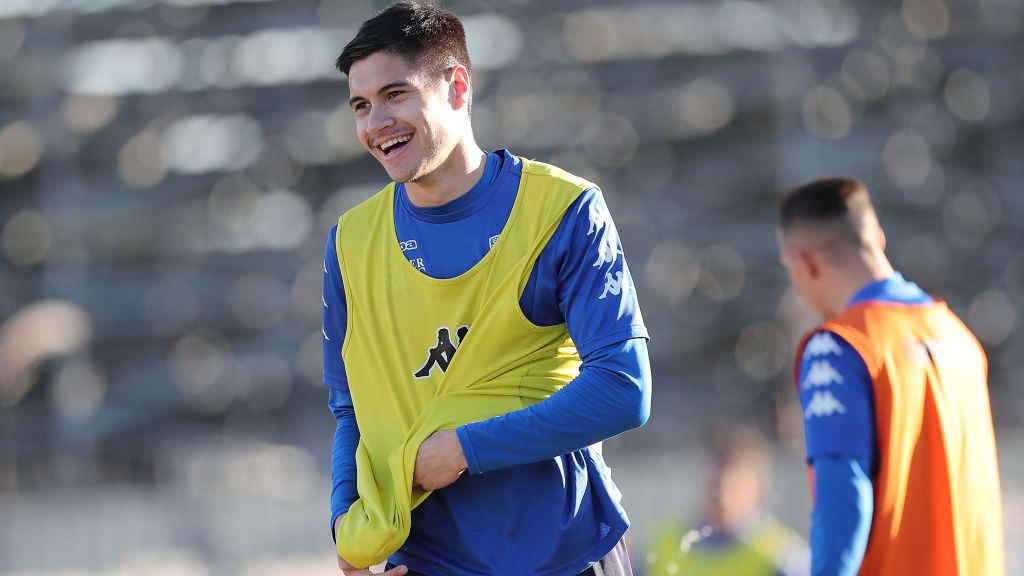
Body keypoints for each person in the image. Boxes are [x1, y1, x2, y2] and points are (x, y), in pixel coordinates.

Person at [321, 3, 651, 575]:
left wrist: (464, 450)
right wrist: (348, 530)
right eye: (361, 105)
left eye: (396, 94)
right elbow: (351, 411)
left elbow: (624, 389)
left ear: (457, 87)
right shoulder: (349, 243)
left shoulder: (563, 210)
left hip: (562, 553)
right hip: (423, 560)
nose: (376, 123)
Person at [776, 177, 1004, 576]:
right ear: (878, 239)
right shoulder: (960, 339)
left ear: (805, 263)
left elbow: (843, 501)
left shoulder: (838, 348)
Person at [646, 425, 808, 576]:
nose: (721, 492)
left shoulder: (782, 557)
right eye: (714, 481)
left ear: (760, 488)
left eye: (734, 484)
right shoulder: (662, 546)